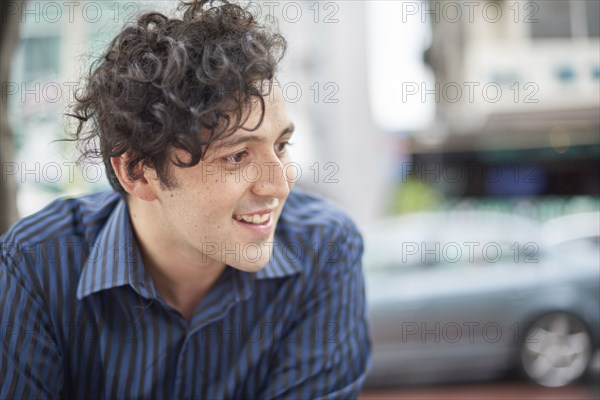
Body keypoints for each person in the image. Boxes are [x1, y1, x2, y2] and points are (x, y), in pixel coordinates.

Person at [0, 0, 371, 399]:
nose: (278, 185)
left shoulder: (325, 249)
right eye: (236, 156)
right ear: (137, 172)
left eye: (281, 145)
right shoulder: (35, 264)